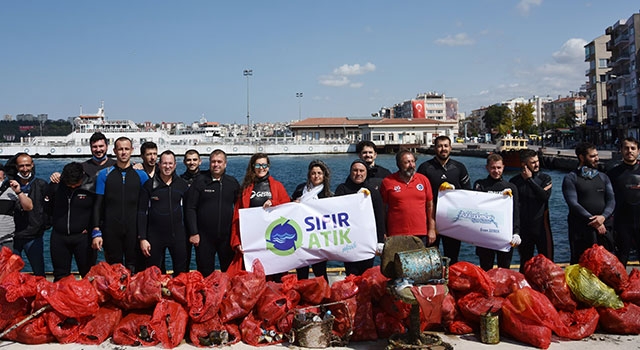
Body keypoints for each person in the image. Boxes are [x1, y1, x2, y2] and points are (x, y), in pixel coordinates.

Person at [92, 137, 149, 272]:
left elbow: (147, 207)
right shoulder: (104, 175)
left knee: (134, 268)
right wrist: (96, 231)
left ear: (132, 151)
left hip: (134, 231)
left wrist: (144, 235)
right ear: (115, 151)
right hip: (111, 230)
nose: (123, 152)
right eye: (120, 149)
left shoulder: (141, 175)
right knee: (114, 270)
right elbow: (98, 205)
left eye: (126, 149)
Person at [230, 153, 290, 279]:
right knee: (252, 277)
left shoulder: (277, 186)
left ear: (268, 167)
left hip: (273, 240)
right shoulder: (246, 188)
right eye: (258, 165)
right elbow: (237, 216)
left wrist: (274, 203)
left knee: (274, 277)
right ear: (253, 166)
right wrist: (236, 242)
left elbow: (288, 210)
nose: (261, 168)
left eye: (264, 165)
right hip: (252, 240)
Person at [417, 135, 472, 263]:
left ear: (450, 148)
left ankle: (452, 281)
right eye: (440, 146)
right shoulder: (425, 168)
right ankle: (432, 281)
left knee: (452, 256)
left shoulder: (459, 167)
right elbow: (420, 194)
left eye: (446, 146)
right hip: (431, 218)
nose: (443, 149)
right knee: (430, 256)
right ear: (435, 148)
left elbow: (468, 193)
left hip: (453, 218)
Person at [185, 149, 240, 276]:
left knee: (229, 272)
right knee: (205, 273)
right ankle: (205, 296)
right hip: (204, 238)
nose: (216, 164)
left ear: (225, 164)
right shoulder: (199, 181)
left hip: (226, 237)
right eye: (213, 162)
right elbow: (190, 208)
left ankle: (227, 295)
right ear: (209, 163)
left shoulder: (232, 183)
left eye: (219, 162)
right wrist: (194, 232)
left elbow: (239, 208)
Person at [562, 142, 616, 264]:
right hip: (581, 229)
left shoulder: (603, 177)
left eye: (597, 155)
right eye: (592, 156)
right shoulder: (571, 178)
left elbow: (611, 200)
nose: (597, 159)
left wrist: (603, 217)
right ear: (581, 157)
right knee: (582, 265)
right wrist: (594, 221)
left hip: (603, 227)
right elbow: (573, 203)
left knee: (605, 266)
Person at [138, 151, 190, 276]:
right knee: (155, 275)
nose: (167, 166)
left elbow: (190, 211)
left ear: (175, 165)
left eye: (170, 163)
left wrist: (193, 233)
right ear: (159, 165)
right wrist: (143, 238)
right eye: (165, 163)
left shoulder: (182, 185)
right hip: (155, 237)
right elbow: (141, 212)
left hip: (178, 236)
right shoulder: (149, 185)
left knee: (181, 275)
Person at [335, 159, 386, 276]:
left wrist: (380, 241)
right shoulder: (342, 189)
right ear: (350, 172)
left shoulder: (372, 191)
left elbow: (379, 216)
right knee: (351, 273)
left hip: (367, 239)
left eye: (361, 170)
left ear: (366, 173)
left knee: (366, 272)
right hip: (349, 240)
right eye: (355, 170)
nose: (358, 173)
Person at [46, 162, 96, 281]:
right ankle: (61, 299)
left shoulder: (91, 186)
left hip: (83, 237)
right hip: (59, 236)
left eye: (75, 184)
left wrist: (92, 229)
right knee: (60, 275)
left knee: (88, 274)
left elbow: (98, 211)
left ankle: (90, 298)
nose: (72, 186)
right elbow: (47, 207)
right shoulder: (56, 185)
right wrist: (51, 223)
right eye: (69, 184)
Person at [473, 153, 521, 271]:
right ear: (487, 168)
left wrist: (516, 232)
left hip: (504, 235)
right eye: (493, 168)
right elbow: (473, 208)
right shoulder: (480, 185)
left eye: (499, 168)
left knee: (504, 269)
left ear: (503, 167)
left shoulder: (511, 187)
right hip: (485, 236)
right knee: (486, 268)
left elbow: (515, 211)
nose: (496, 171)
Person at [509, 149, 553, 272]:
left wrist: (529, 180)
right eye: (532, 162)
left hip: (542, 228)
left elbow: (544, 197)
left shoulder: (545, 178)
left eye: (537, 161)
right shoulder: (514, 182)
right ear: (524, 164)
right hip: (524, 228)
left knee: (547, 262)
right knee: (525, 262)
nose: (537, 164)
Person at [380, 150, 436, 247]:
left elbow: (430, 206)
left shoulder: (423, 180)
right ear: (399, 164)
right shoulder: (387, 182)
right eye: (407, 162)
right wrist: (383, 231)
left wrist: (432, 229)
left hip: (420, 233)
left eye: (413, 161)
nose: (411, 165)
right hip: (396, 233)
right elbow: (383, 209)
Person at [290, 160, 332, 281]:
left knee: (320, 271)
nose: (316, 176)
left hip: (318, 238)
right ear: (309, 175)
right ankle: (302, 296)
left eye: (319, 173)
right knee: (301, 270)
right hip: (301, 237)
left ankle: (324, 296)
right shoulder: (300, 189)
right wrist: (293, 203)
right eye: (313, 173)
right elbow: (289, 208)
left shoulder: (327, 194)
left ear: (324, 175)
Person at [9, 153, 48, 276]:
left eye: (27, 165)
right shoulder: (8, 186)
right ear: (16, 167)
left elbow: (49, 208)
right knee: (11, 275)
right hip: (13, 237)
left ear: (32, 165)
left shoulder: (41, 184)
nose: (25, 169)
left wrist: (45, 225)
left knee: (39, 273)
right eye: (21, 166)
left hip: (34, 235)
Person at [607, 137, 640, 266]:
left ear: (638, 151)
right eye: (626, 148)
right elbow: (607, 199)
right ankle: (621, 286)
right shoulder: (613, 173)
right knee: (621, 260)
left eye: (633, 148)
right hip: (622, 224)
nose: (629, 151)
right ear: (621, 150)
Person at [50, 132, 116, 183]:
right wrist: (57, 176)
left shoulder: (116, 166)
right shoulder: (82, 167)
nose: (98, 150)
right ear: (90, 148)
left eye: (101, 146)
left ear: (107, 146)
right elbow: (69, 178)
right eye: (95, 147)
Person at [0, 164, 33, 251]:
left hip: (6, 241)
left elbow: (28, 207)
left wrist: (18, 192)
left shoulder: (11, 190)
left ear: (4, 177)